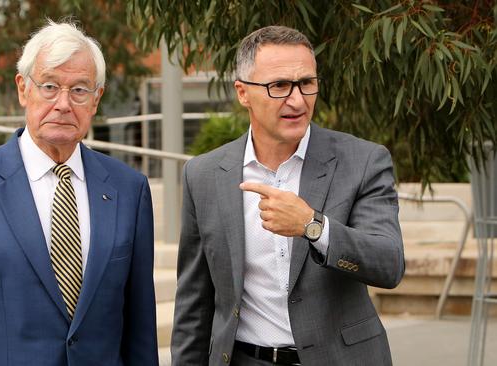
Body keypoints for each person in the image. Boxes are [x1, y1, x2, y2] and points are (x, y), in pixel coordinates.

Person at [0, 20, 158, 365]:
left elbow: (140, 328)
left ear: (96, 99)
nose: (64, 103)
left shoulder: (129, 189)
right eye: (50, 86)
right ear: (23, 89)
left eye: (80, 90)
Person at [171, 25, 405, 366]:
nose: (297, 100)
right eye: (279, 85)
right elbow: (194, 301)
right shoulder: (204, 174)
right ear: (242, 92)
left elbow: (388, 264)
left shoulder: (363, 160)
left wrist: (314, 226)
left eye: (306, 83)